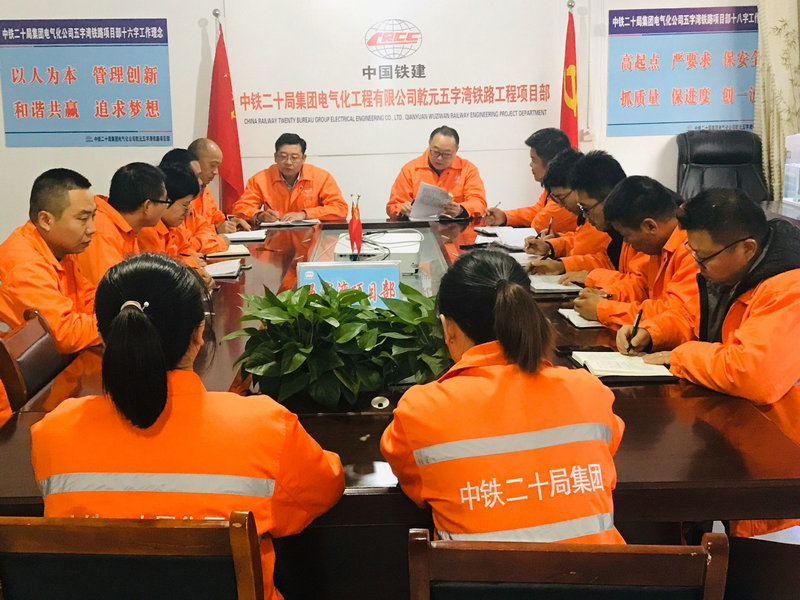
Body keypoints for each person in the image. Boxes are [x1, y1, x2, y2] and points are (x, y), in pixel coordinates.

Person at [30, 253, 345, 600]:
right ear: (198, 334)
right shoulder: (265, 427)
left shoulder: (53, 433)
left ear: (105, 337)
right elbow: (323, 491)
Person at [381, 249, 625, 544]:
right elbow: (605, 447)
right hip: (600, 572)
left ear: (447, 328)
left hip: (476, 575)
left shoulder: (420, 410)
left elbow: (416, 484)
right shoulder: (589, 390)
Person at [621, 189, 800, 542]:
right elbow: (692, 320)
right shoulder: (727, 271)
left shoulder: (788, 287)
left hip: (780, 457)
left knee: (757, 564)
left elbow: (752, 373)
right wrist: (653, 333)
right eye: (693, 253)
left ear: (747, 248)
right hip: (734, 433)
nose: (697, 266)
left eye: (704, 258)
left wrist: (680, 355)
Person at [572, 176, 698, 332]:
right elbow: (641, 286)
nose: (627, 243)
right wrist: (606, 295)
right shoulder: (659, 243)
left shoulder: (692, 250)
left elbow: (672, 313)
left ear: (650, 226)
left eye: (626, 236)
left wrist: (603, 309)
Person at [0, 168, 101, 354]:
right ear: (46, 220)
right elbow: (65, 334)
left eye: (93, 217)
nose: (92, 229)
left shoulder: (61, 249)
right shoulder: (24, 265)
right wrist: (119, 322)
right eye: (83, 218)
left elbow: (89, 300)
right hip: (19, 372)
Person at [524, 150, 615, 275]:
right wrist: (551, 246)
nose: (561, 205)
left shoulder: (608, 221)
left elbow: (586, 251)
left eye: (561, 198)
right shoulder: (593, 212)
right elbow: (581, 241)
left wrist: (563, 265)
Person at [76, 162, 168, 286]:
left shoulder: (128, 228)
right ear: (147, 206)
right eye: (165, 201)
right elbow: (110, 290)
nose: (166, 206)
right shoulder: (101, 232)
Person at [232, 133, 347, 224]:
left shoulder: (321, 177)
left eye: (294, 157)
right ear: (275, 157)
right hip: (273, 239)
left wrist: (305, 214)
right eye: (283, 156)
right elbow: (240, 209)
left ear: (303, 158)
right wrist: (259, 215)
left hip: (312, 238)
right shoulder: (260, 180)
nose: (288, 162)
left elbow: (340, 209)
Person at [484, 128, 578, 234]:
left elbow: (539, 225)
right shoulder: (553, 186)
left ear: (551, 163)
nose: (530, 165)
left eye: (533, 160)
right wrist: (505, 217)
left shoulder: (566, 191)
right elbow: (538, 210)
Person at [138, 163, 215, 289]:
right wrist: (188, 267)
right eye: (185, 205)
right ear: (165, 200)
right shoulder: (147, 230)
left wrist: (197, 271)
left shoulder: (175, 226)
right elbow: (160, 273)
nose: (188, 211)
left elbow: (187, 252)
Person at [387, 125, 487, 219]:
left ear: (456, 150)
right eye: (435, 152)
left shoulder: (467, 169)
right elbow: (393, 205)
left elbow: (479, 202)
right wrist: (402, 209)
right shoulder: (411, 169)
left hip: (457, 227)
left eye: (446, 154)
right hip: (420, 227)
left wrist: (461, 209)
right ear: (429, 144)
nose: (439, 158)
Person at [160, 147, 230, 255]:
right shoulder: (160, 220)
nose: (201, 182)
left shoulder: (193, 199)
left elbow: (207, 229)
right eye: (196, 176)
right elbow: (182, 251)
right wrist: (215, 241)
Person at [187, 138, 250, 235]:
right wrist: (215, 230)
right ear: (194, 162)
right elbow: (187, 232)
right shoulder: (181, 191)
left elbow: (214, 216)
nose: (216, 172)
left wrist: (231, 221)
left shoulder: (204, 188)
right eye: (212, 165)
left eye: (218, 167)